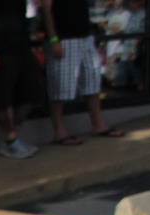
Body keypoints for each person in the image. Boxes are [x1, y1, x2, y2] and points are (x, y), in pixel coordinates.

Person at [43, 0, 127, 144]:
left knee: (92, 80)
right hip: (64, 39)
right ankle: (59, 131)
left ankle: (98, 125)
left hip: (85, 36)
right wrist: (54, 39)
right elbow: (46, 11)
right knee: (60, 86)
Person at [0, 0, 45, 158]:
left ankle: (13, 136)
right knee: (3, 97)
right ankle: (10, 140)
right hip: (0, 49)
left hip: (21, 46)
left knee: (32, 90)